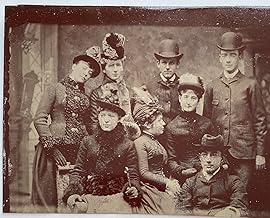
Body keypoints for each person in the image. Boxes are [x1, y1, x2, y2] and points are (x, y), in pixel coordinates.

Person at [31, 50, 101, 212]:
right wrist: (52, 148)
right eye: (85, 68)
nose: (87, 74)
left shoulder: (88, 95)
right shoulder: (55, 88)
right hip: (54, 149)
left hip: (79, 150)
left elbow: (91, 125)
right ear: (74, 65)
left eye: (90, 72)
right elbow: (39, 119)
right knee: (51, 199)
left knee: (77, 194)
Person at [62, 83, 142, 213]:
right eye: (103, 115)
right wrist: (73, 192)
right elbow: (78, 170)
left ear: (119, 119)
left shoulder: (127, 144)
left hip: (117, 194)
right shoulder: (88, 141)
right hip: (91, 192)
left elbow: (133, 174)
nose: (106, 120)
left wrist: (133, 188)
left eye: (111, 116)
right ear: (98, 117)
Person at [203, 32, 267, 191]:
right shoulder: (212, 86)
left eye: (233, 55)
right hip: (218, 151)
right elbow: (206, 121)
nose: (228, 59)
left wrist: (260, 153)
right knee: (218, 195)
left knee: (240, 195)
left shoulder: (250, 84)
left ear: (240, 57)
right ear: (219, 58)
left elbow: (260, 120)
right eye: (225, 55)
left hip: (244, 152)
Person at [132, 87, 180, 214]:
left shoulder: (155, 140)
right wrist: (167, 182)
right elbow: (143, 173)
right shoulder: (140, 142)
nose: (164, 123)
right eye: (160, 120)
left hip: (160, 186)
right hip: (149, 189)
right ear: (147, 124)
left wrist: (170, 181)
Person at [176, 134, 249, 217]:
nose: (208, 160)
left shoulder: (234, 182)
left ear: (222, 158)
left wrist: (230, 212)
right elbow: (182, 210)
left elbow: (240, 208)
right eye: (204, 154)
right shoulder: (190, 183)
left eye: (214, 155)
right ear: (200, 158)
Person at [165, 73, 215, 184]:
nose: (188, 102)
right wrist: (182, 171)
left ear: (198, 100)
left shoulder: (207, 124)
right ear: (179, 98)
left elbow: (216, 151)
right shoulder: (171, 127)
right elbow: (171, 159)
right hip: (182, 174)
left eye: (193, 98)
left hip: (206, 171)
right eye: (185, 97)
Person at [89, 32, 140, 139]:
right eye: (111, 66)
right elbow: (93, 124)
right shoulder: (97, 93)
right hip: (104, 141)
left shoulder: (130, 92)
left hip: (128, 141)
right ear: (104, 69)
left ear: (122, 67)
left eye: (118, 65)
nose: (115, 70)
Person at [145, 38, 183, 125]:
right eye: (164, 62)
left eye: (172, 63)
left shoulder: (182, 85)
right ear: (158, 63)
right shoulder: (149, 86)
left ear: (178, 64)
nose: (167, 67)